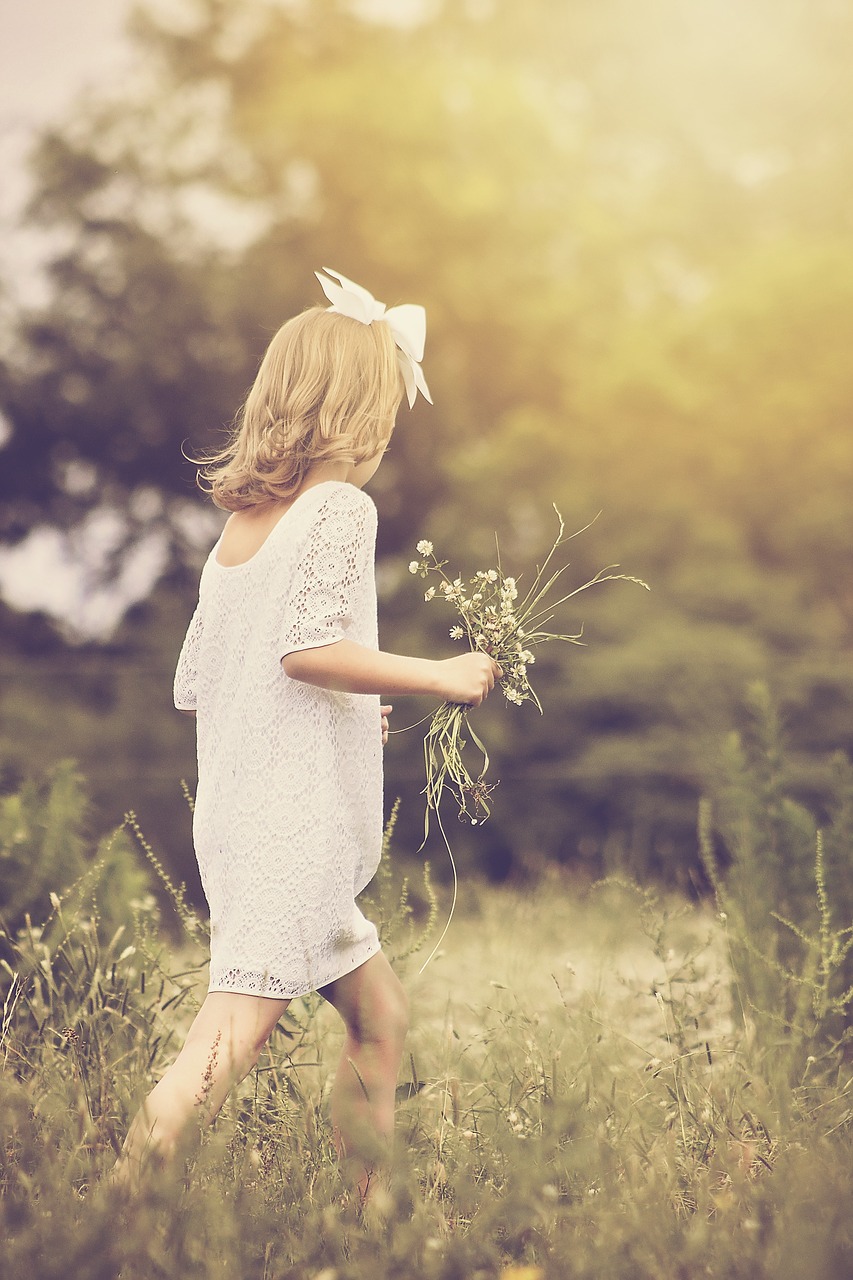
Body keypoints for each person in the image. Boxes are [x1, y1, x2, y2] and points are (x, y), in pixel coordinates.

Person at [112, 268, 501, 1204]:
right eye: (386, 413)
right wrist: (437, 675)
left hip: (245, 823)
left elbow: (205, 684)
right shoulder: (338, 509)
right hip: (293, 832)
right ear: (358, 413)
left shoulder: (242, 529)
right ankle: (107, 1225)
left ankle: (363, 1230)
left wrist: (344, 705)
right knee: (230, 1037)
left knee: (380, 1019)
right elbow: (305, 651)